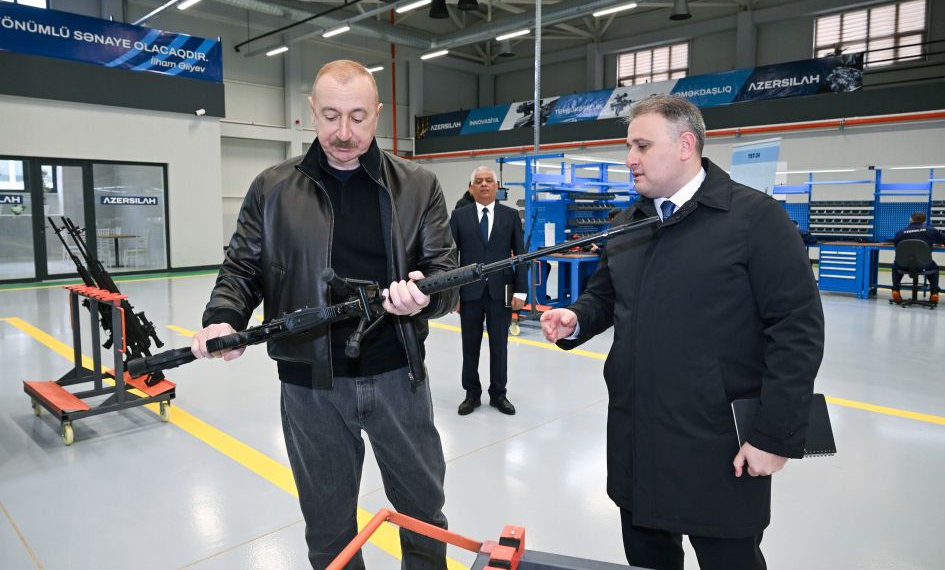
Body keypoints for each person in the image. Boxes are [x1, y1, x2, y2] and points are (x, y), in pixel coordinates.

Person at [190, 60, 457, 570]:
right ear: (311, 111)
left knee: (424, 513)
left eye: (358, 117)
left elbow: (445, 271)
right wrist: (224, 316)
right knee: (329, 526)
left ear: (378, 113)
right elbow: (242, 267)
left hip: (398, 376)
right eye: (331, 116)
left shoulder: (419, 185)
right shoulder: (272, 187)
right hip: (310, 385)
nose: (344, 133)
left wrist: (426, 294)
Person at [540, 94, 824, 570]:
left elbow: (797, 328)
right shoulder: (626, 224)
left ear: (685, 145)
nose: (630, 159)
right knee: (647, 557)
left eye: (642, 146)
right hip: (636, 434)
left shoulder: (754, 218)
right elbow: (604, 297)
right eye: (628, 146)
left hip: (719, 444)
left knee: (729, 559)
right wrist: (576, 318)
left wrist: (775, 435)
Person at [450, 167, 527, 416]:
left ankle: (499, 394)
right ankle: (471, 394)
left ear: (497, 186)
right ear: (471, 188)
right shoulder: (459, 216)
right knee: (469, 345)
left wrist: (521, 292)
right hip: (469, 292)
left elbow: (521, 255)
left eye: (489, 180)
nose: (484, 184)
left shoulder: (510, 216)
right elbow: (451, 257)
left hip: (502, 290)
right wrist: (452, 294)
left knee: (500, 345)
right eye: (479, 181)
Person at [891, 211, 944, 304]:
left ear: (910, 220)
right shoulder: (931, 230)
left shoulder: (900, 233)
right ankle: (934, 292)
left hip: (904, 265)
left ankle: (896, 290)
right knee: (934, 268)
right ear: (924, 222)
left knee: (896, 265)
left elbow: (896, 245)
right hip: (924, 265)